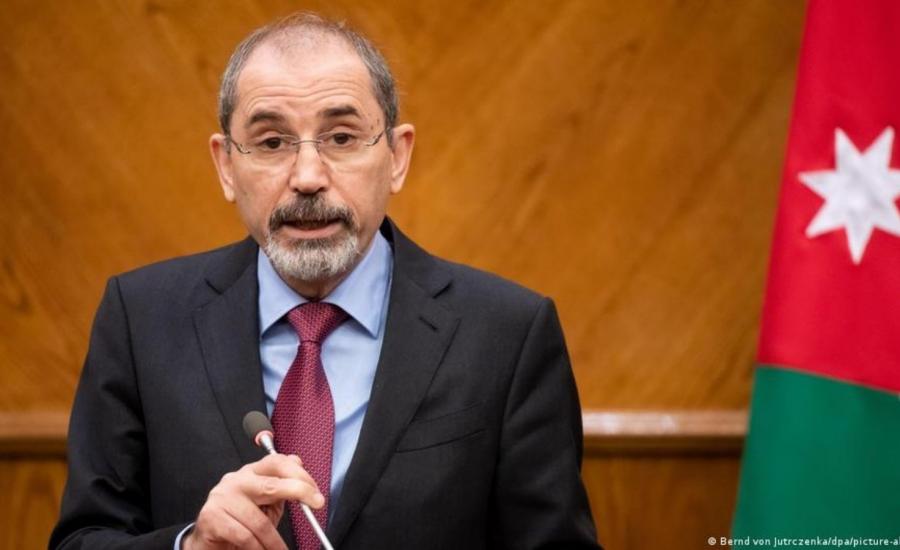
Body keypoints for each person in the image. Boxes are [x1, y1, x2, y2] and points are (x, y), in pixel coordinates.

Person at [49, 12, 600, 550]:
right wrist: (189, 546)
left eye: (341, 137)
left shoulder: (508, 334)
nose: (308, 177)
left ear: (397, 157)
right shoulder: (141, 320)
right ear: (225, 167)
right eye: (271, 143)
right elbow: (82, 538)